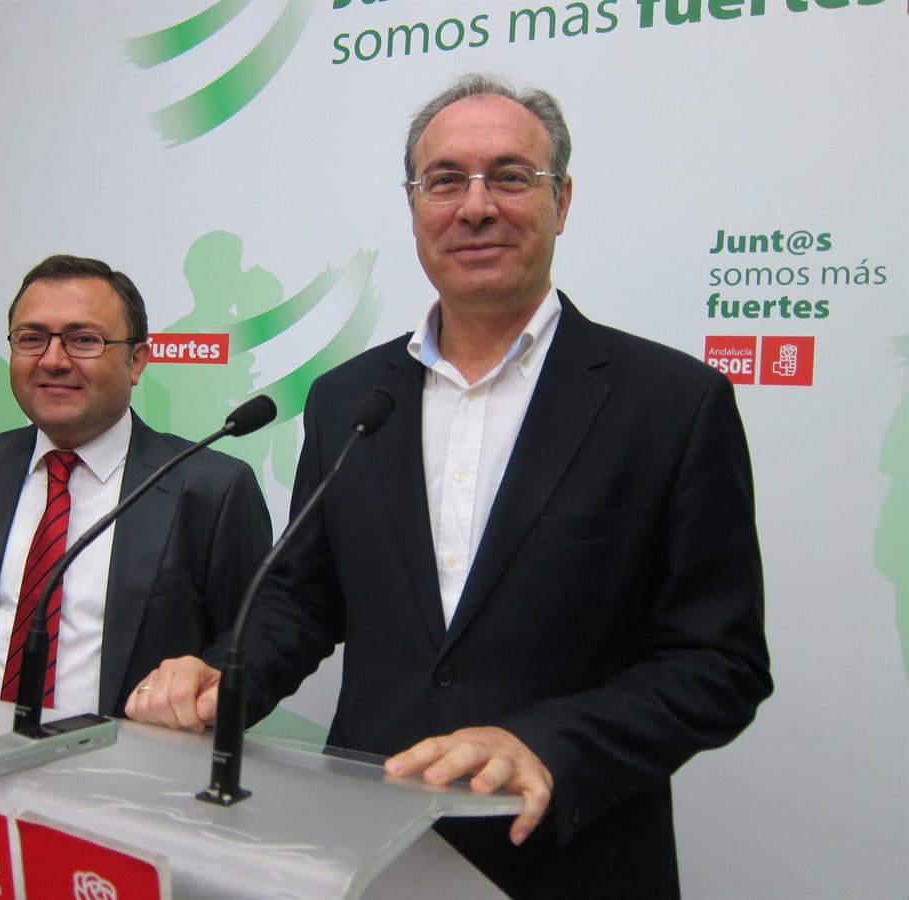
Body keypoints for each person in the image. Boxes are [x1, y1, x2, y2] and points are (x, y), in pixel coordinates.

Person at [125, 74, 773, 898]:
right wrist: (223, 677)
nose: (475, 207)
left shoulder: (672, 403)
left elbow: (718, 661)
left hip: (571, 861)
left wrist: (549, 744)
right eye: (444, 181)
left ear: (563, 201)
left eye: (510, 177)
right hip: (367, 847)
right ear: (413, 206)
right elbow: (303, 598)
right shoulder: (349, 399)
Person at [0, 254, 272, 718]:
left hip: (130, 760)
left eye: (83, 340)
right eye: (31, 338)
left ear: (136, 361)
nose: (52, 360)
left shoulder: (212, 491)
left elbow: (250, 656)